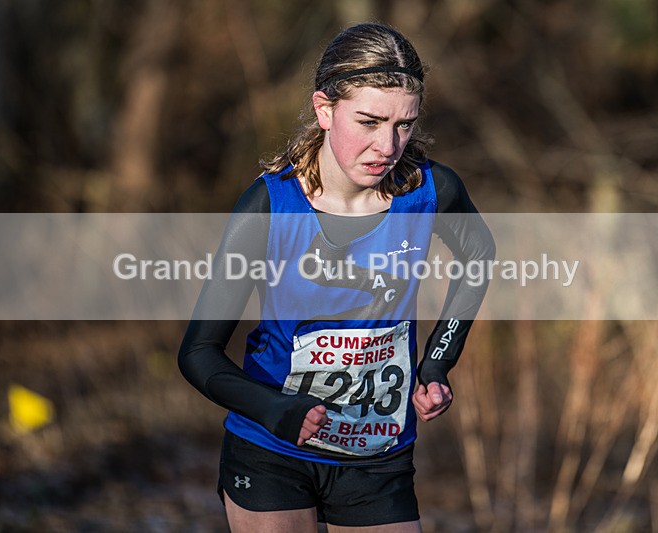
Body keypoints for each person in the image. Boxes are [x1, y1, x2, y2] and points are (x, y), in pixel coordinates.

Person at [178, 22, 495, 532]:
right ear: (324, 110)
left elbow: (479, 254)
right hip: (271, 451)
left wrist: (437, 362)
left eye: (404, 124)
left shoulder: (431, 192)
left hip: (378, 455)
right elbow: (197, 353)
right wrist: (274, 408)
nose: (388, 145)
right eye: (368, 121)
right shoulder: (270, 206)